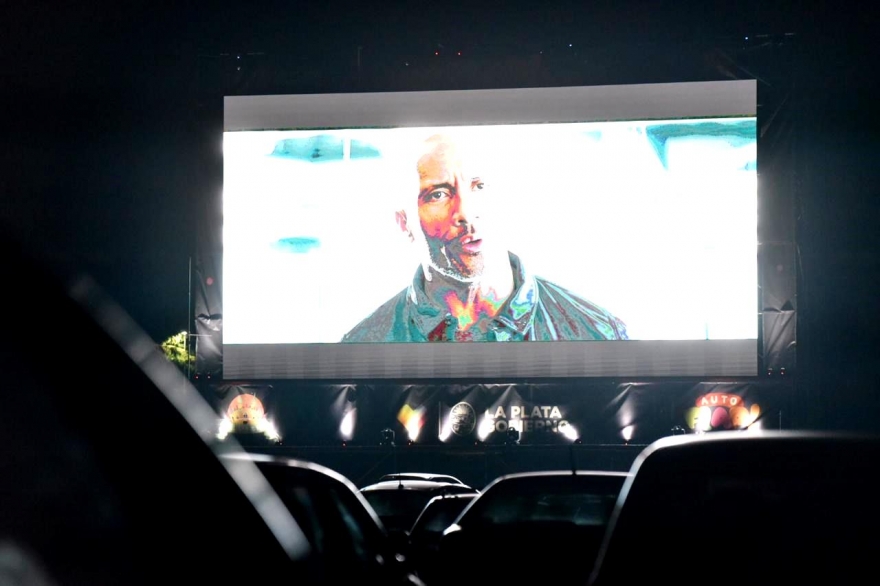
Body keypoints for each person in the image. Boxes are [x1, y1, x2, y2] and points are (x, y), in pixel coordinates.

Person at [341, 132, 628, 342]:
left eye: (479, 186)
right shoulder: (364, 345)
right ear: (403, 222)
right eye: (438, 194)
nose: (465, 212)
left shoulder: (596, 332)